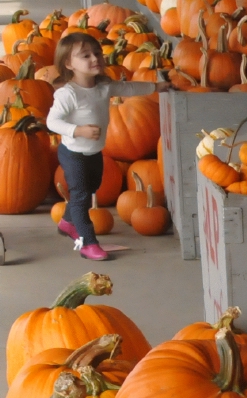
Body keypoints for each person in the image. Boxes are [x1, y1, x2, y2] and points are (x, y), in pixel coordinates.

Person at [45, 33, 166, 262]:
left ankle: (67, 221)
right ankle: (87, 242)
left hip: (93, 152)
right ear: (69, 64)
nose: (95, 58)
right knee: (81, 197)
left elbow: (128, 89)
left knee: (92, 187)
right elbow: (52, 122)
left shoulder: (103, 86)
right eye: (86, 56)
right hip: (73, 153)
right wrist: (78, 130)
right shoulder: (68, 93)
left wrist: (156, 86)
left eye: (97, 53)